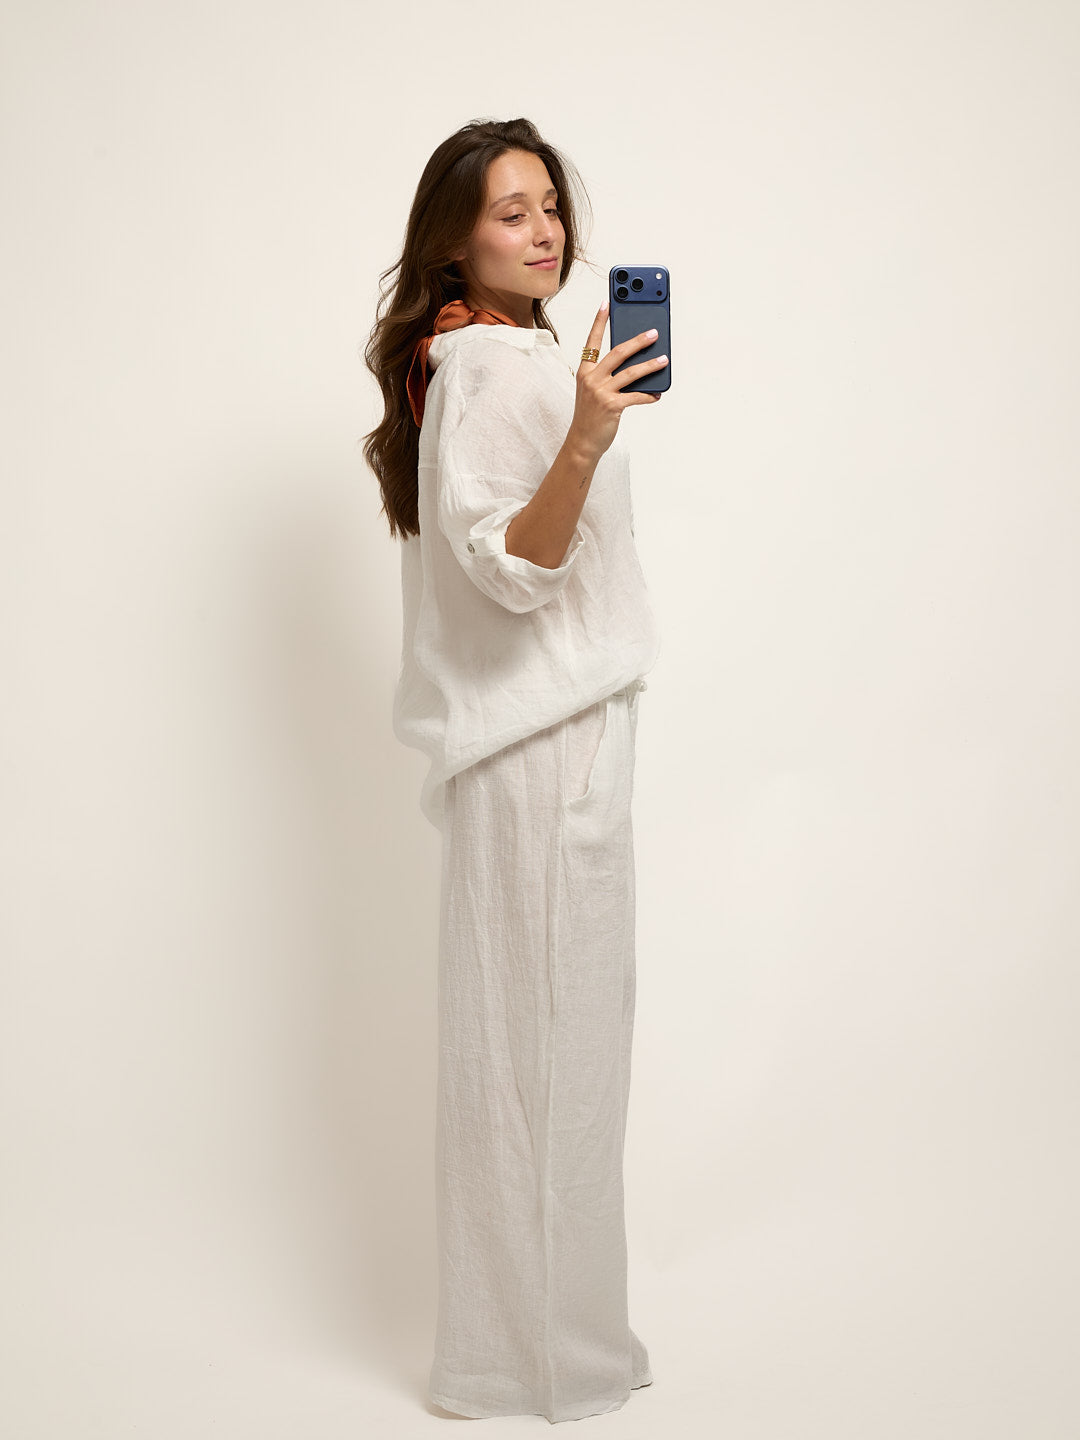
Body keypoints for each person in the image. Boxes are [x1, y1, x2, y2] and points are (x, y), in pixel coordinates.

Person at [363, 116, 667, 1424]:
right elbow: (515, 569)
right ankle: (547, 1362)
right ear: (455, 243)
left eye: (550, 205)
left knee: (534, 1054)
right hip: (545, 748)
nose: (543, 231)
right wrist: (587, 436)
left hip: (538, 743)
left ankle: (517, 1355)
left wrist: (581, 410)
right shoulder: (490, 369)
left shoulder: (497, 356)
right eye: (510, 212)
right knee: (555, 1058)